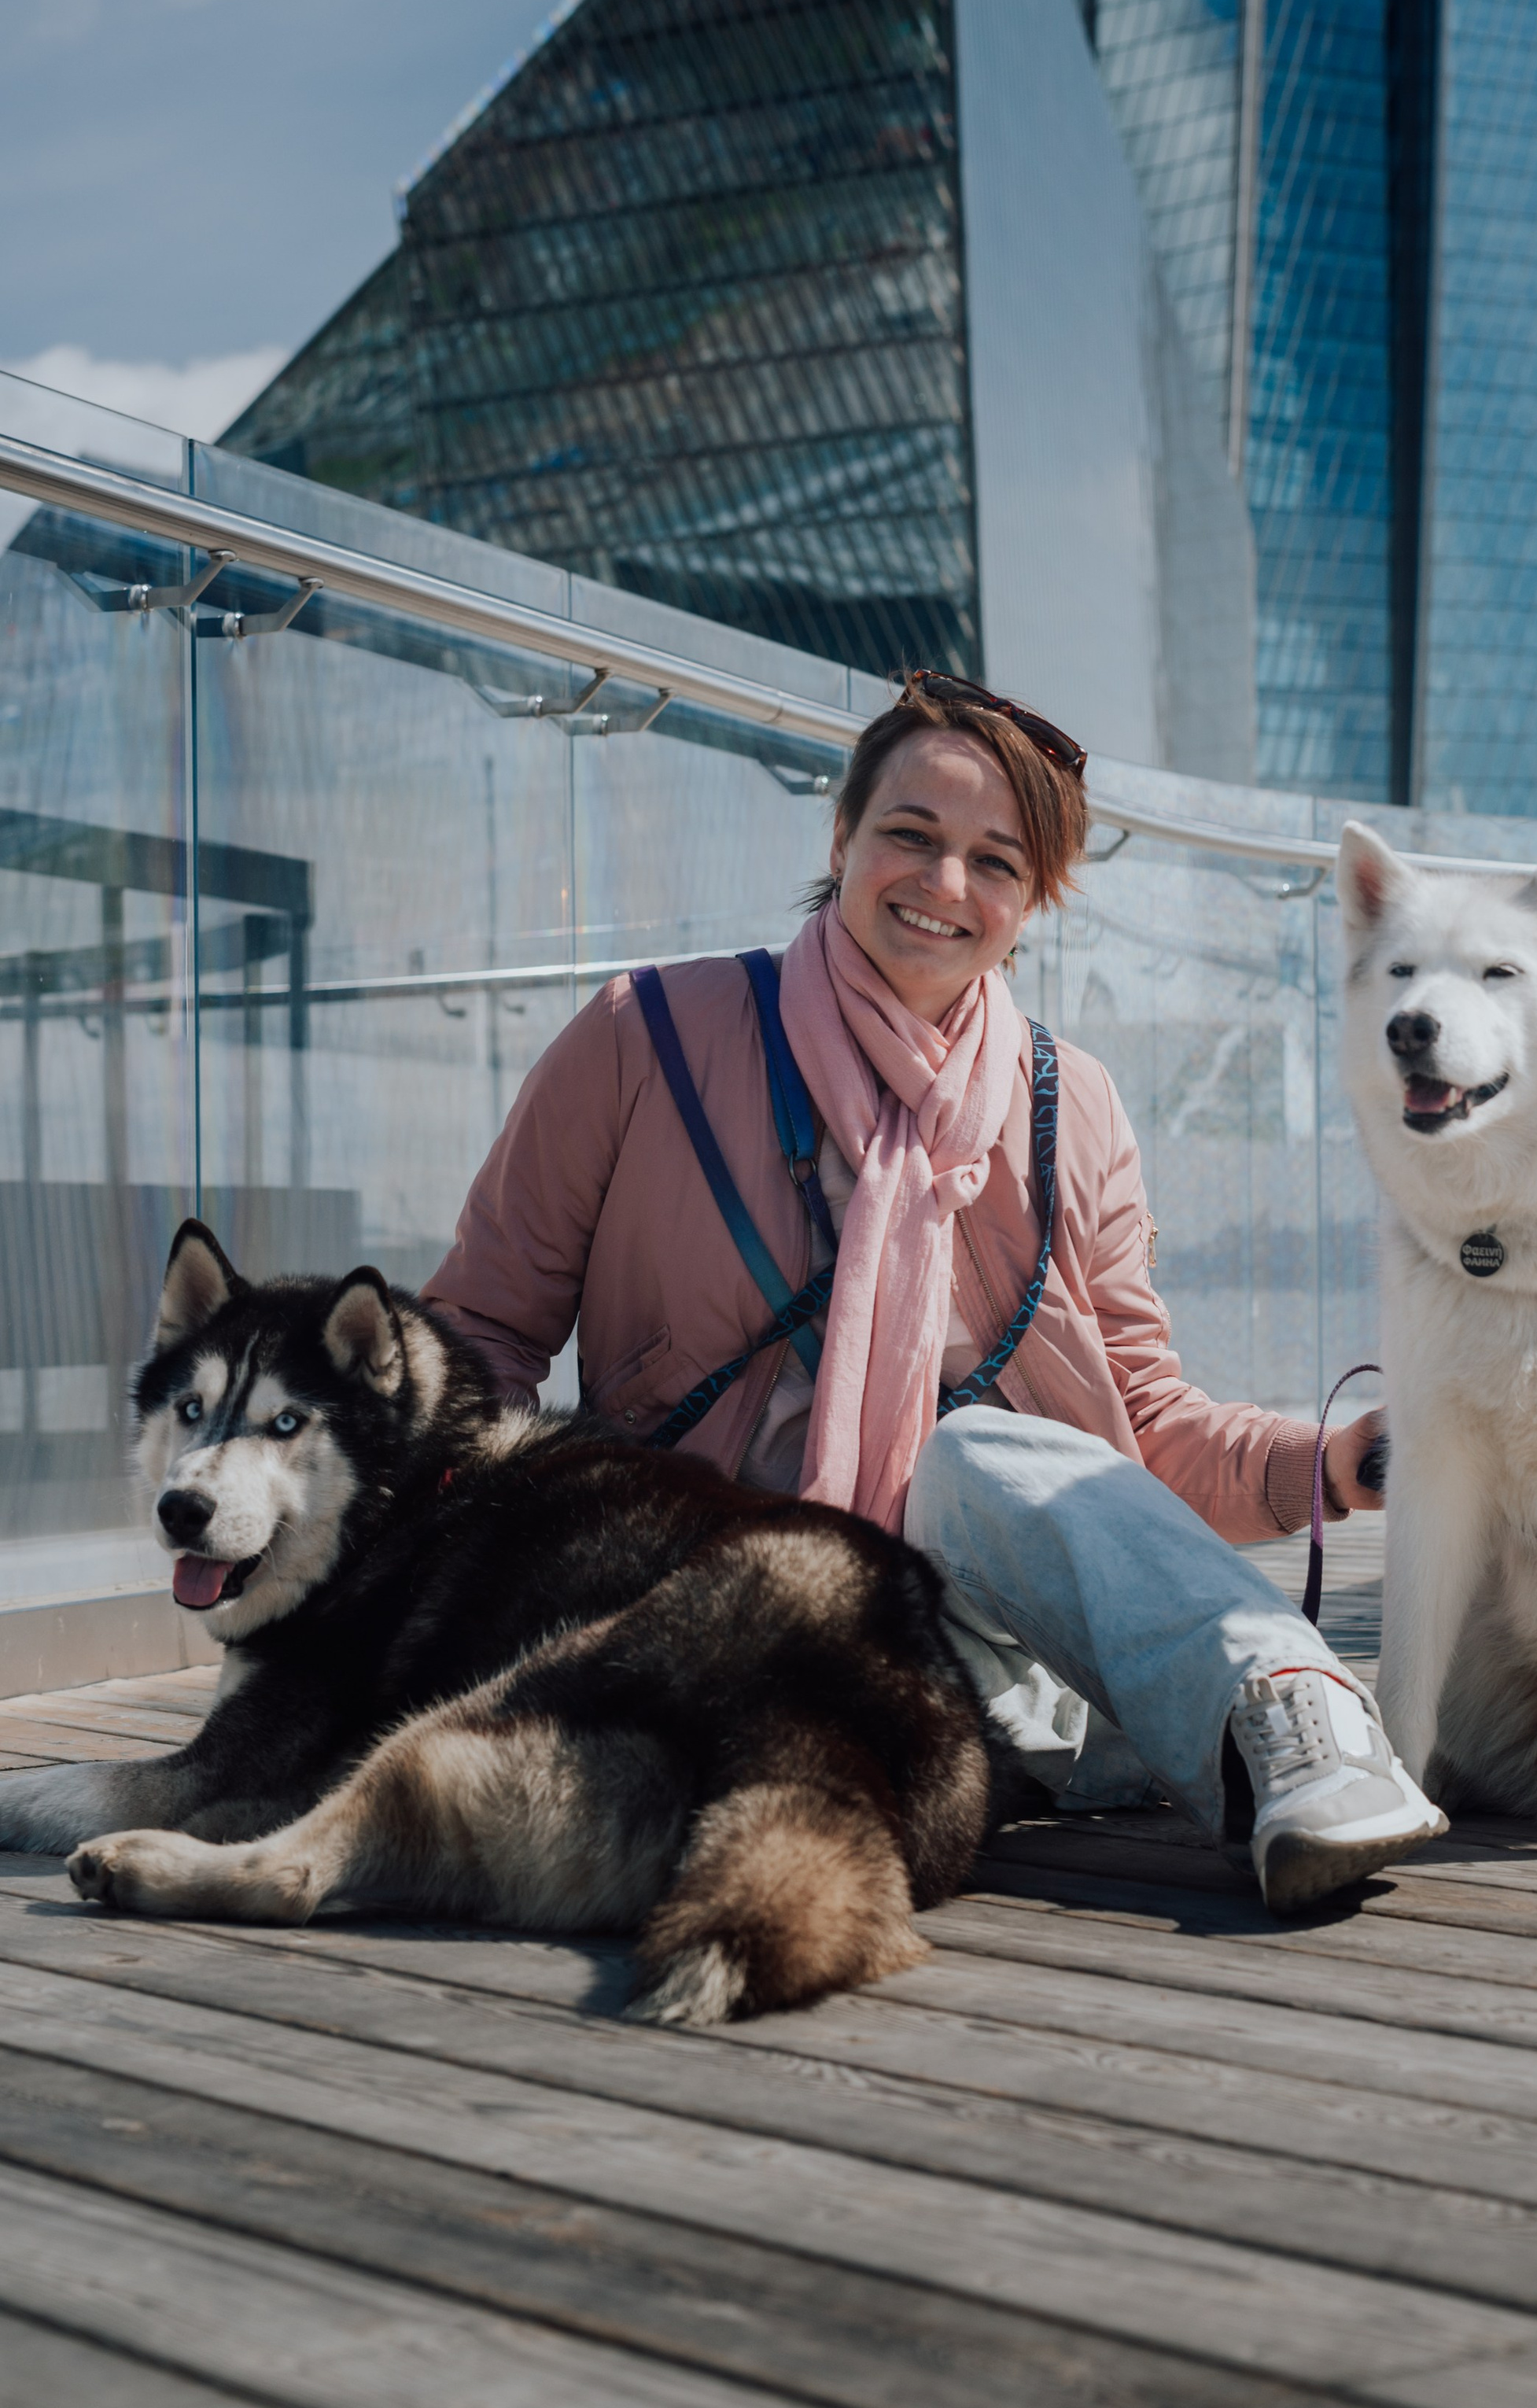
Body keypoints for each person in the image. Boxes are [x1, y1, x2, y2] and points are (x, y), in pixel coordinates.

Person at [422, 670, 1443, 1907]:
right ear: (841, 836)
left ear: (1036, 901)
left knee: (973, 1459)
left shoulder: (1075, 1107)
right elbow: (476, 1337)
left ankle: (1300, 1719)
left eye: (995, 861)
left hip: (970, 1662)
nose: (944, 886)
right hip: (699, 1629)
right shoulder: (648, 1038)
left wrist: (1341, 1461)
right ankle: (1161, 1741)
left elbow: (1147, 1434)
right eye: (910, 834)